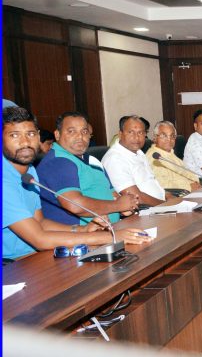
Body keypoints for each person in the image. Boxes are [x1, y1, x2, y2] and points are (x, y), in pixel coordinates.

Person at [2, 107, 150, 260]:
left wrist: (81, 229)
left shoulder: (29, 171)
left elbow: (40, 222)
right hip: (14, 264)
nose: (25, 142)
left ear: (38, 137)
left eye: (31, 134)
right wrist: (112, 236)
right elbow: (39, 239)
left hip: (41, 254)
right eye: (14, 135)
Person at [36, 112, 139, 226]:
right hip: (80, 238)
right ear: (57, 135)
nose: (80, 136)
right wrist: (118, 205)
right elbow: (75, 206)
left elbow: (112, 194)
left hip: (112, 229)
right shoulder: (57, 162)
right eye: (71, 131)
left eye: (84, 132)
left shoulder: (92, 160)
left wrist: (126, 205)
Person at [102, 116, 168, 207]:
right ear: (120, 134)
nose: (136, 137)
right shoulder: (114, 159)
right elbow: (137, 198)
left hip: (160, 205)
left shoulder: (138, 152)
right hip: (143, 212)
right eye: (130, 132)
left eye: (140, 132)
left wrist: (169, 196)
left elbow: (151, 182)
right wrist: (166, 205)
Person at [146, 121, 200, 192]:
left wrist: (196, 182)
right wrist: (189, 186)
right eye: (164, 135)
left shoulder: (171, 153)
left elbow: (189, 174)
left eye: (172, 136)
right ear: (155, 138)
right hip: (177, 196)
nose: (169, 139)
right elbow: (162, 185)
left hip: (192, 191)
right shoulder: (154, 157)